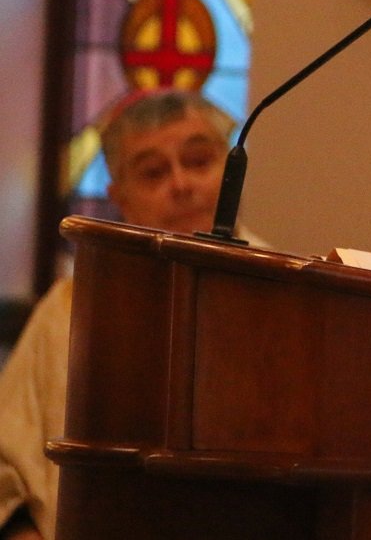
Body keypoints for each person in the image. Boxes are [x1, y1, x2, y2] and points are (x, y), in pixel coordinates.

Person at [0, 89, 243, 540]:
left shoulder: (285, 291)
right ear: (120, 197)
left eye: (198, 161)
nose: (182, 183)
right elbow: (8, 464)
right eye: (153, 172)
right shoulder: (72, 309)